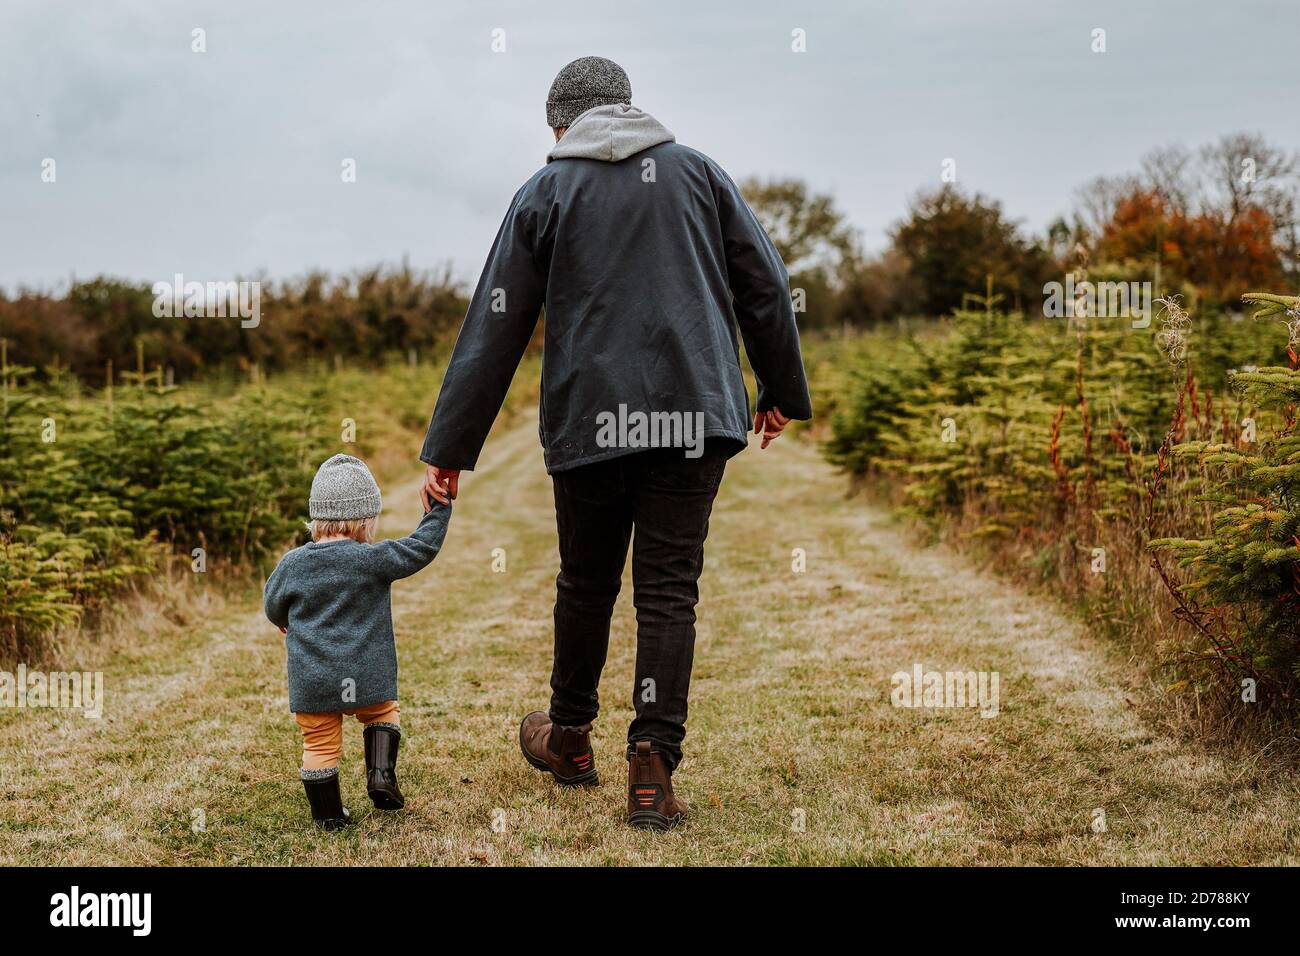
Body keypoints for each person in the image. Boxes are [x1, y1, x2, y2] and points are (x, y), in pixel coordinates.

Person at [419, 56, 811, 830]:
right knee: (669, 588)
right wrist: (782, 392)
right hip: (694, 418)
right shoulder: (700, 174)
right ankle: (652, 766)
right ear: (629, 109)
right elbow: (764, 284)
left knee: (587, 580)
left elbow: (497, 323)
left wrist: (450, 447)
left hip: (592, 420)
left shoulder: (546, 191)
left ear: (562, 124)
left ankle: (567, 739)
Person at [265, 453, 451, 829]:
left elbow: (272, 604)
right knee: (382, 713)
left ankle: (328, 815)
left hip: (312, 678)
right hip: (367, 674)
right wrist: (438, 510)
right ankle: (380, 776)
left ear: (317, 516)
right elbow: (421, 548)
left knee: (318, 744)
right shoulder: (374, 559)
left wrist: (284, 620)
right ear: (366, 519)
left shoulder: (292, 563)